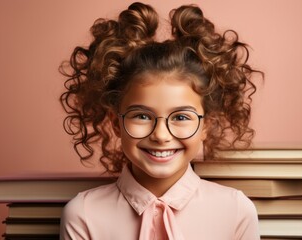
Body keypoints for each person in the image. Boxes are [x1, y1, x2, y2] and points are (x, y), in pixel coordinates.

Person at [59, 2, 263, 239]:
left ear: (206, 125)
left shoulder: (236, 211)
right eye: (142, 116)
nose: (161, 135)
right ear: (116, 123)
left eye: (181, 117)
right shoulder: (83, 214)